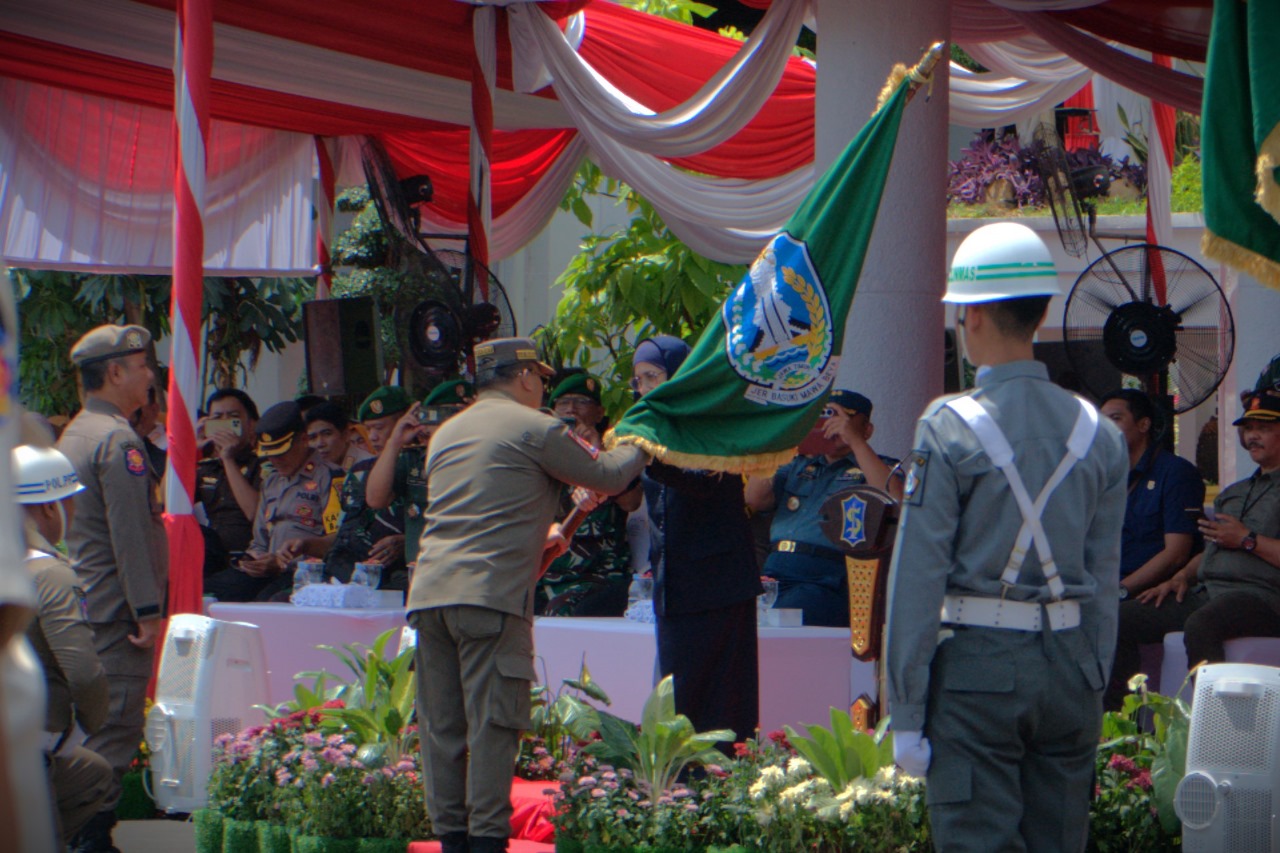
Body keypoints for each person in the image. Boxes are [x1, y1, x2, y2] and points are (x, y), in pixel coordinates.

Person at [883, 222, 1128, 853]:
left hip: (978, 673)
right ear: (1042, 310)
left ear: (977, 317)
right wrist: (1094, 675)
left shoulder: (948, 425)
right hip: (1072, 667)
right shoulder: (1101, 433)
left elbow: (918, 576)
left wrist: (906, 709)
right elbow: (1104, 576)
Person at [408, 338, 648, 853]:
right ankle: (488, 841)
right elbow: (607, 475)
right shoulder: (536, 427)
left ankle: (450, 838)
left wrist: (538, 546)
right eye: (539, 377)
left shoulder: (447, 433)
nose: (542, 386)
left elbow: (475, 513)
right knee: (495, 724)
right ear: (522, 378)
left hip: (429, 594)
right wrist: (640, 439)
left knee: (444, 728)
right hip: (490, 599)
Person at [57, 324, 168, 853]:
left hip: (84, 603)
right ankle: (90, 838)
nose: (150, 375)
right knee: (114, 730)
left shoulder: (76, 432)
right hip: (113, 612)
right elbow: (130, 534)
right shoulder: (117, 439)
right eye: (142, 365)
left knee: (88, 729)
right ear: (116, 372)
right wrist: (147, 610)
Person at [1106, 386, 1280, 709]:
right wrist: (1182, 575)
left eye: (1265, 428)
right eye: (1249, 429)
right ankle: (1123, 734)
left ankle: (1218, 730)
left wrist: (1248, 539)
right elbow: (1215, 547)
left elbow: (1240, 541)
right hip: (1208, 591)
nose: (1253, 436)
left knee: (1201, 624)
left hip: (1262, 599)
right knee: (1116, 618)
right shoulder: (1235, 491)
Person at [635, 334, 761, 745]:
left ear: (678, 373)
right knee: (679, 700)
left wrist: (652, 457)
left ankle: (721, 793)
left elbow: (704, 481)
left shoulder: (714, 419)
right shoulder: (651, 426)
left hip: (718, 584)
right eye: (638, 380)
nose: (645, 388)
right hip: (674, 588)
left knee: (723, 702)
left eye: (652, 376)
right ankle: (683, 794)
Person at [14, 445, 113, 848]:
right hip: (22, 744)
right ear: (51, 508)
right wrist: (89, 723)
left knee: (91, 774)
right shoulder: (50, 574)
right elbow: (84, 672)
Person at [745, 389, 902, 626]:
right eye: (825, 416)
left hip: (826, 578)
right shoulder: (797, 464)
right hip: (775, 571)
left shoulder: (880, 465)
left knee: (781, 620)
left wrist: (855, 441)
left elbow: (894, 499)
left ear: (867, 429)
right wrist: (782, 443)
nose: (832, 424)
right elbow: (754, 499)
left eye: (842, 417)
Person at [203, 401, 343, 602]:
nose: (276, 460)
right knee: (208, 592)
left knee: (271, 601)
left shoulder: (329, 477)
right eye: (270, 454)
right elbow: (260, 541)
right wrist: (252, 561)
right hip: (268, 571)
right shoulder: (271, 481)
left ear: (303, 440)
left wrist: (302, 548)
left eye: (281, 452)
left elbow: (338, 540)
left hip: (309, 573)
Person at [539, 371, 643, 616]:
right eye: (563, 402)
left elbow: (631, 502)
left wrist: (598, 455)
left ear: (598, 412)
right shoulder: (542, 450)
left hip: (599, 575)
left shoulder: (614, 452)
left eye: (582, 402)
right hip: (548, 571)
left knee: (561, 611)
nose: (572, 409)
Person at [304, 386, 416, 591]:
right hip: (361, 572)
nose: (372, 437)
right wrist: (305, 544)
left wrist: (407, 542)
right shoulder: (360, 471)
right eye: (369, 428)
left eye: (379, 428)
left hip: (406, 574)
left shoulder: (423, 464)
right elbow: (347, 531)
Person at [1099, 389, 1204, 597]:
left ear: (1143, 425)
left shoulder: (1175, 472)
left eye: (1115, 419)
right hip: (1105, 585)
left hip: (1155, 592)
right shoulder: (1106, 477)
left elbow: (1176, 554)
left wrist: (1119, 591)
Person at [366, 379, 475, 579]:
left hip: (467, 573)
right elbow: (375, 499)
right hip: (421, 574)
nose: (428, 427)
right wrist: (394, 443)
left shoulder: (484, 457)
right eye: (429, 417)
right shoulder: (414, 459)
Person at [196, 389, 264, 575]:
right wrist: (189, 451)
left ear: (251, 425)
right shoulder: (205, 467)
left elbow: (255, 514)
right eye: (218, 418)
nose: (225, 426)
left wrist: (228, 458)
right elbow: (167, 503)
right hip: (209, 555)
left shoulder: (263, 465)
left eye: (233, 418)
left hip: (247, 560)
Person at [306, 400, 372, 472]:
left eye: (327, 433)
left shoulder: (368, 467)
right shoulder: (312, 470)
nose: (320, 444)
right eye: (312, 438)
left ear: (346, 435)